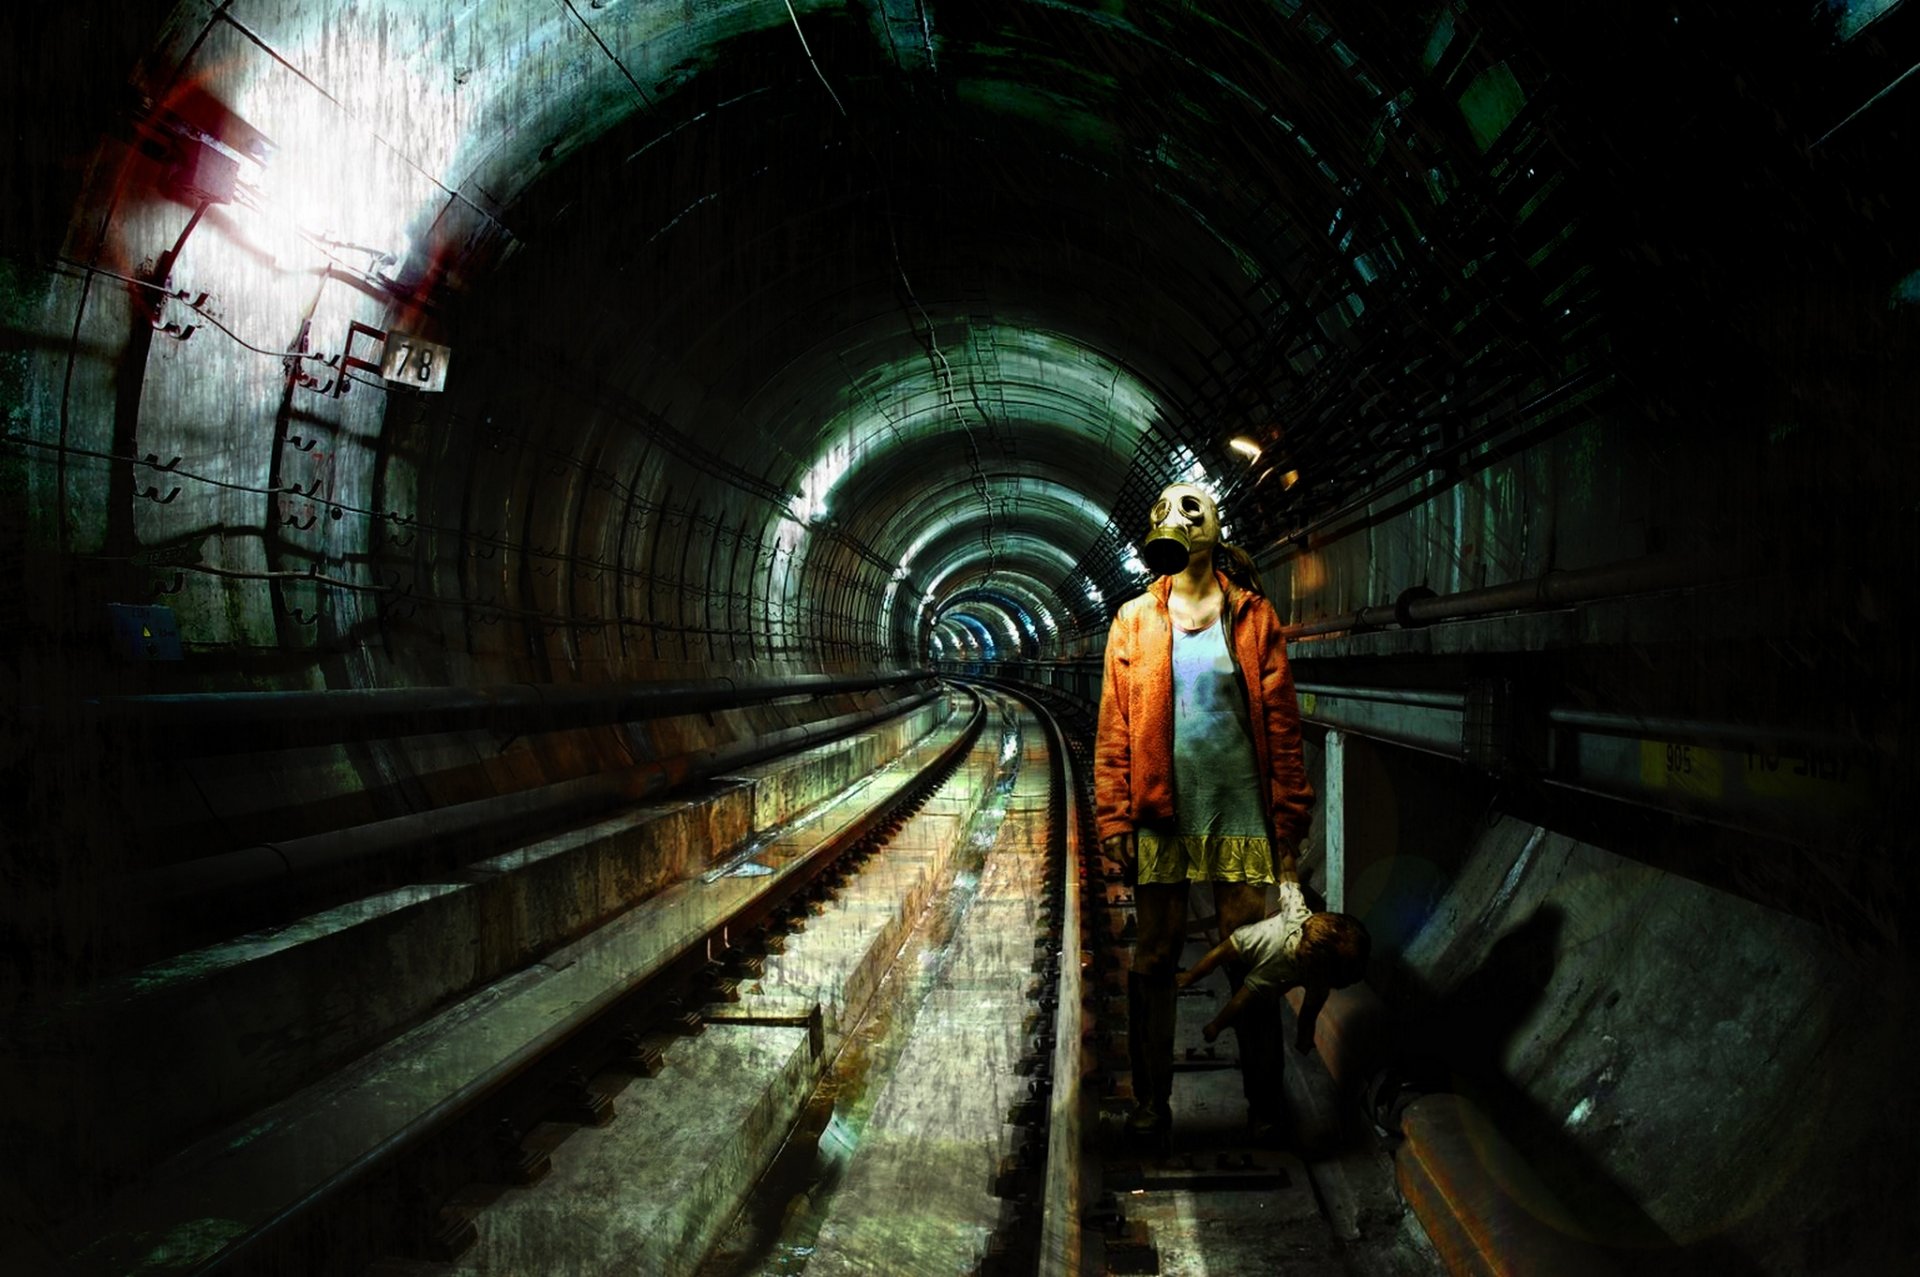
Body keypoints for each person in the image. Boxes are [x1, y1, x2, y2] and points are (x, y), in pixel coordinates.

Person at [1094, 480, 1325, 1145]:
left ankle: (1263, 1102)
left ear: (1217, 525)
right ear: (1154, 527)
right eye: (1167, 507)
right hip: (1162, 812)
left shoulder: (1253, 616)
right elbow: (1114, 727)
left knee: (1249, 956)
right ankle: (1149, 1102)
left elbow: (1282, 727)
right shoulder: (1133, 620)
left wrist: (1290, 819)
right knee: (1155, 954)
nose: (1181, 515)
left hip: (1240, 812)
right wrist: (1114, 818)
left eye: (1195, 504)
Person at [1175, 841, 1371, 1048]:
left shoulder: (1311, 974)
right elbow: (1288, 876)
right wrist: (1285, 853)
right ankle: (1191, 975)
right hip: (1247, 941)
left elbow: (1308, 1014)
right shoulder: (1294, 930)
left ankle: (1218, 1015)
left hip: (1275, 965)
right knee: (1219, 955)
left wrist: (1284, 858)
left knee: (1250, 997)